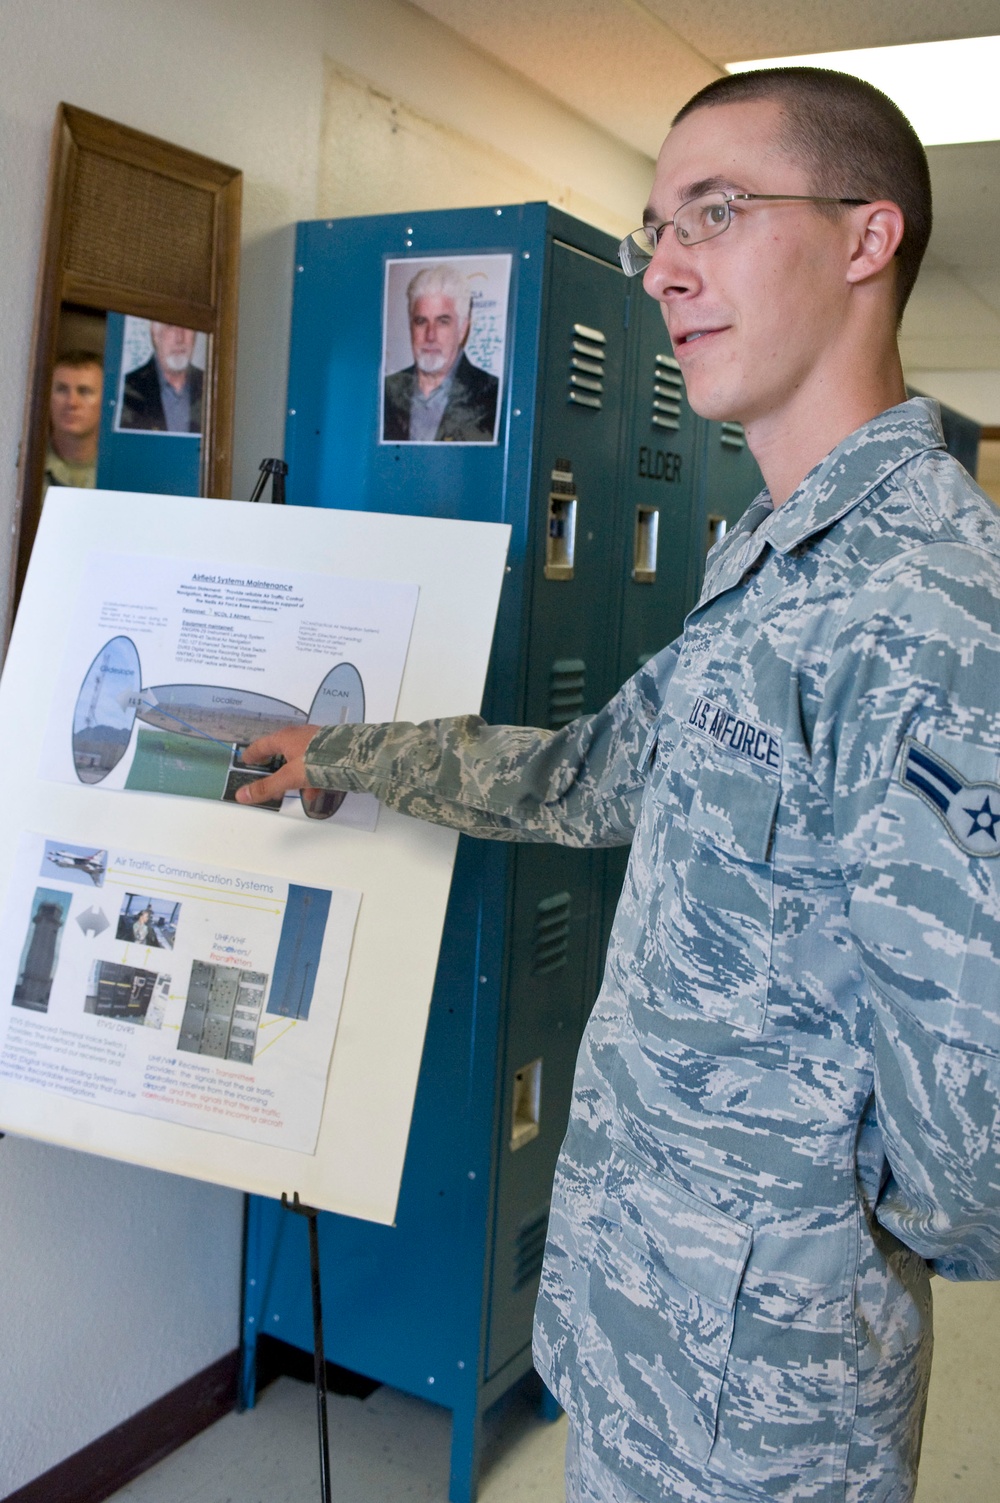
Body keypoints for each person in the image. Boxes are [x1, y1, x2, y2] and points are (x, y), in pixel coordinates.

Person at [237, 68, 1000, 1503]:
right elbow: (594, 774)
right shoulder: (768, 561)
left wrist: (806, 1213)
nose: (663, 270)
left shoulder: (937, 607)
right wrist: (338, 752)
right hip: (632, 1318)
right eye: (656, 229)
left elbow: (980, 1136)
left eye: (715, 212)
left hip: (771, 1394)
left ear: (865, 238)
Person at [383, 263, 499, 442]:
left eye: (442, 321)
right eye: (421, 321)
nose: (430, 335)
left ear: (462, 329)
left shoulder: (494, 398)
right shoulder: (385, 393)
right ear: (410, 326)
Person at [118, 321, 203, 433]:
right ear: (155, 334)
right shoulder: (127, 389)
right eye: (170, 326)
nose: (180, 338)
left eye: (188, 327)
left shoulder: (212, 387)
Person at [44, 350, 103, 494]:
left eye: (84, 391)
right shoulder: (27, 465)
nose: (71, 402)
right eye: (61, 390)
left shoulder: (121, 471)